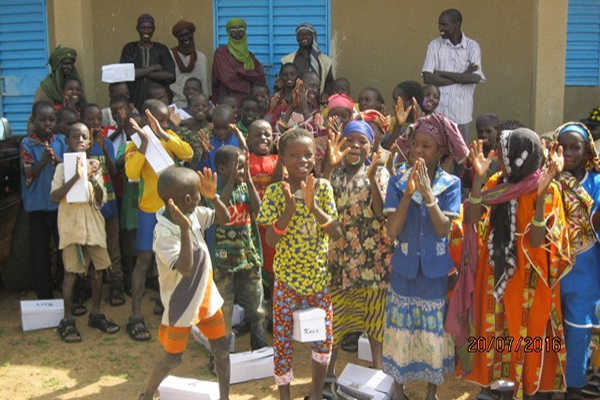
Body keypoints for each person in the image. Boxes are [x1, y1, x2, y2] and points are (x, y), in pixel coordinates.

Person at [451, 128, 571, 399]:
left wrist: (539, 199)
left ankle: (529, 387)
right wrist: (479, 180)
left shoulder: (547, 188)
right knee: (496, 328)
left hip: (530, 275)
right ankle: (497, 384)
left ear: (519, 158)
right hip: (496, 271)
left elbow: (538, 241)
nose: (499, 161)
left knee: (527, 333)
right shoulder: (497, 181)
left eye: (504, 155)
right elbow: (471, 217)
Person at [382, 113, 468, 400]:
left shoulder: (451, 184)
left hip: (434, 273)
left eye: (427, 146)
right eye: (416, 145)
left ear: (441, 151)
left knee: (433, 333)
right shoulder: (397, 182)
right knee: (401, 331)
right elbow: (392, 231)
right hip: (404, 271)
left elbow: (444, 228)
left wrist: (429, 196)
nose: (419, 151)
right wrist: (408, 195)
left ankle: (431, 392)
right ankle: (398, 389)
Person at [257, 128, 342, 400]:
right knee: (282, 343)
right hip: (286, 283)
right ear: (281, 158)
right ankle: (285, 395)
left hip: (318, 281)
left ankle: (315, 394)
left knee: (322, 340)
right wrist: (289, 209)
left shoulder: (324, 188)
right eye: (294, 155)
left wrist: (313, 206)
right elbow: (270, 239)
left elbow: (336, 232)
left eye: (308, 155)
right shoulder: (274, 192)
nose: (303, 161)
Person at [138, 166, 231, 400]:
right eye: (199, 195)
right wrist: (184, 229)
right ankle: (147, 394)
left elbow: (224, 218)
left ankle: (225, 397)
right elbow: (186, 268)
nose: (201, 199)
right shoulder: (164, 233)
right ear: (187, 199)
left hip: (207, 298)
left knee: (221, 349)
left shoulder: (192, 213)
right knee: (173, 357)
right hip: (181, 302)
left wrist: (214, 197)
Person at [323, 121, 392, 380]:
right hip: (339, 260)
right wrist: (328, 167)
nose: (354, 146)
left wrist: (373, 177)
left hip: (373, 261)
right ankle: (328, 375)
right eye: (349, 140)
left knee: (376, 322)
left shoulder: (379, 172)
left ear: (371, 145)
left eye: (361, 141)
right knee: (335, 322)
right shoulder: (333, 171)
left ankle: (378, 376)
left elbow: (380, 210)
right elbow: (318, 198)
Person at [125, 101, 193, 341]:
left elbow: (187, 152)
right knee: (143, 261)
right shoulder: (135, 144)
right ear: (146, 121)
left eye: (165, 120)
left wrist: (164, 133)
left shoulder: (169, 136)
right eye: (159, 120)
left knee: (173, 261)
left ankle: (173, 310)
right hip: (149, 211)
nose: (164, 124)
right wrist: (144, 145)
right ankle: (135, 314)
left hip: (171, 212)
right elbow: (132, 174)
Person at [50, 122, 120, 342]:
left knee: (98, 271)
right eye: (74, 137)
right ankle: (68, 320)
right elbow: (55, 196)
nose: (80, 140)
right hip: (71, 226)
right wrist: (76, 177)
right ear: (68, 141)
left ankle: (96, 314)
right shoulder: (62, 168)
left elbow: (101, 199)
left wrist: (91, 178)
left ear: (90, 142)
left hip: (93, 226)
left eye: (84, 137)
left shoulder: (95, 166)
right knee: (71, 272)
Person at [554, 122, 600, 399]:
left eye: (575, 147)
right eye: (563, 147)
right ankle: (546, 382)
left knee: (579, 329)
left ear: (587, 152)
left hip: (586, 268)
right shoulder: (549, 179)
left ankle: (575, 386)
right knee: (548, 326)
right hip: (551, 267)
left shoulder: (596, 183)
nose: (568, 153)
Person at [212, 145, 267, 350]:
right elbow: (219, 213)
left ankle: (259, 339)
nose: (242, 172)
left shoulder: (245, 188)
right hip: (223, 259)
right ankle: (220, 351)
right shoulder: (213, 190)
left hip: (248, 255)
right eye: (237, 167)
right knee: (223, 306)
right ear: (222, 168)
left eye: (244, 167)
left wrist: (250, 180)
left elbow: (259, 211)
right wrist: (230, 183)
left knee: (256, 301)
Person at [20, 101, 68, 299]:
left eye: (51, 120)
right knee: (40, 252)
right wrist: (44, 161)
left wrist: (57, 160)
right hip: (38, 207)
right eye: (42, 120)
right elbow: (29, 172)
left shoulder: (61, 141)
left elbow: (69, 167)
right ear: (33, 121)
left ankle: (67, 292)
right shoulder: (26, 144)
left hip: (58, 205)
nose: (47, 124)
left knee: (63, 249)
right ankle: (44, 295)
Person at [422, 8, 486, 143]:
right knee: (436, 155)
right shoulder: (434, 45)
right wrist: (463, 75)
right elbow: (428, 77)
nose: (440, 28)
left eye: (444, 25)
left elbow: (475, 78)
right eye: (439, 24)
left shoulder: (472, 47)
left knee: (460, 159)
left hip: (461, 116)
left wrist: (441, 73)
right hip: (437, 114)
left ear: (457, 24)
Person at [82, 104, 125, 306]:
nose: (95, 124)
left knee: (114, 248)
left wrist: (105, 149)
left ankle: (117, 287)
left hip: (110, 204)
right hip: (90, 207)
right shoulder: (80, 145)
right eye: (90, 120)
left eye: (98, 120)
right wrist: (90, 146)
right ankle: (91, 289)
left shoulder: (106, 141)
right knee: (93, 249)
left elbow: (114, 171)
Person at [247, 120, 282, 316]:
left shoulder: (277, 160)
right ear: (248, 139)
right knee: (253, 272)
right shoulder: (244, 158)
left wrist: (282, 155)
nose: (263, 138)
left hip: (270, 227)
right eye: (258, 135)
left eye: (267, 134)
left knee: (272, 270)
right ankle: (254, 313)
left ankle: (273, 312)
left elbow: (277, 184)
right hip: (249, 226)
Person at [120, 14, 176, 112]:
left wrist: (141, 73)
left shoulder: (161, 49)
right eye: (143, 27)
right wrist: (153, 68)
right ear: (137, 28)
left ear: (154, 29)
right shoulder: (130, 48)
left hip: (159, 100)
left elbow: (171, 75)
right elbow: (125, 74)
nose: (146, 31)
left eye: (149, 28)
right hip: (134, 99)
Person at [212, 18, 266, 105]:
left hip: (248, 105)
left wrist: (241, 73)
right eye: (233, 28)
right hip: (228, 103)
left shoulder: (250, 56)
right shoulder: (221, 53)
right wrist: (250, 81)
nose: (237, 31)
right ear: (228, 32)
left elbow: (261, 77)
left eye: (240, 28)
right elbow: (228, 79)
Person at [281, 23, 334, 97]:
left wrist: (325, 94)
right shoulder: (287, 60)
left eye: (307, 34)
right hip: (293, 102)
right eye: (300, 35)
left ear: (313, 37)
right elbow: (281, 83)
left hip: (318, 103)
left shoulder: (326, 61)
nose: (304, 37)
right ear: (297, 38)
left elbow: (329, 84)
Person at [169, 20, 210, 108]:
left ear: (192, 34)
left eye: (188, 34)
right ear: (177, 37)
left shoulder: (201, 57)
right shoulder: (170, 56)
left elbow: (205, 83)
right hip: (177, 103)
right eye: (181, 35)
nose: (185, 38)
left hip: (198, 105)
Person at [198, 104, 245, 171]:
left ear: (234, 123)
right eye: (217, 128)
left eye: (225, 128)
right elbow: (202, 169)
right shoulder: (210, 144)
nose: (221, 132)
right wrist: (205, 153)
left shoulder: (239, 142)